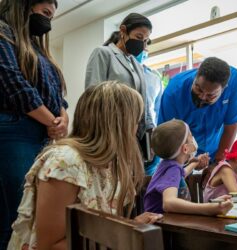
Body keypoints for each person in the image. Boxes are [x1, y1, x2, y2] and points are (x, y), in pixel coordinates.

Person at [7, 82, 163, 250]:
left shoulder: (111, 164)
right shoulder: (65, 162)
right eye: (136, 122)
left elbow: (97, 229)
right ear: (119, 125)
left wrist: (130, 225)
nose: (136, 129)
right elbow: (48, 245)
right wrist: (124, 234)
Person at [0, 0, 68, 248]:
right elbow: (14, 84)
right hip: (13, 131)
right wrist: (53, 122)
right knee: (17, 217)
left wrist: (63, 119)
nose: (48, 22)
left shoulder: (38, 49)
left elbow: (58, 95)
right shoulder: (2, 32)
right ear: (25, 5)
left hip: (41, 134)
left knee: (31, 215)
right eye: (45, 13)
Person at [158, 57, 237, 163]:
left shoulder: (234, 81)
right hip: (184, 152)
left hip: (217, 147)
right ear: (196, 76)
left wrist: (218, 163)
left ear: (224, 89)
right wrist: (184, 165)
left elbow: (230, 126)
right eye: (198, 89)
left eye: (210, 95)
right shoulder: (173, 92)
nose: (202, 97)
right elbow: (167, 139)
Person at [85, 13, 154, 145]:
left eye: (145, 40)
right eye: (139, 37)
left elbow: (144, 102)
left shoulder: (137, 66)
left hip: (133, 135)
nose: (143, 45)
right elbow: (92, 97)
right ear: (123, 31)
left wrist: (150, 128)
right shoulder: (103, 53)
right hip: (109, 131)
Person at [144, 119, 233, 216]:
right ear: (185, 148)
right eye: (191, 136)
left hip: (163, 224)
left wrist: (196, 162)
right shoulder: (172, 170)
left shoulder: (167, 165)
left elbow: (182, 174)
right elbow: (168, 203)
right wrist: (209, 208)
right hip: (164, 227)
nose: (193, 139)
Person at [135, 40, 163, 175]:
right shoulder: (123, 73)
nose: (144, 50)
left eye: (146, 46)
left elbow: (157, 112)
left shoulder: (154, 77)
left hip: (150, 133)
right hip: (129, 131)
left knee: (148, 176)